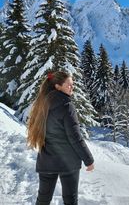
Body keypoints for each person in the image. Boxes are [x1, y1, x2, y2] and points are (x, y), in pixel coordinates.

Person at [27, 71, 94, 205]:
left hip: (47, 160)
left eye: (73, 85)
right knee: (70, 200)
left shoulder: (41, 104)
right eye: (69, 85)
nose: (72, 88)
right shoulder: (66, 106)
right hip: (68, 162)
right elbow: (75, 137)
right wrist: (89, 160)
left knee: (43, 199)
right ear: (58, 86)